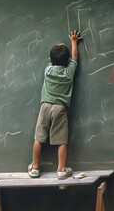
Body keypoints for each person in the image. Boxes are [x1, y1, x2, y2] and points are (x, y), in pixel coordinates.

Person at [28, 30, 82, 179]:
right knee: (61, 140)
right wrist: (73, 42)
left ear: (50, 60)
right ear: (68, 60)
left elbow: (59, 58)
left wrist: (60, 45)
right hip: (60, 108)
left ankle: (35, 168)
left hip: (45, 106)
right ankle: (61, 170)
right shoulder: (69, 72)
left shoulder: (48, 70)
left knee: (39, 137)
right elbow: (75, 57)